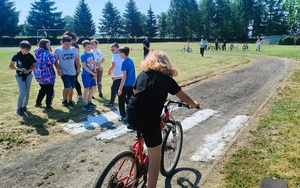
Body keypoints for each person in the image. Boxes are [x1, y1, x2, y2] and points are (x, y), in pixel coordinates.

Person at [126, 50, 199, 188]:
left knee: (142, 129)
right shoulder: (166, 79)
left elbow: (136, 91)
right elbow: (183, 97)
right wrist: (194, 104)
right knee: (155, 158)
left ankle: (137, 156)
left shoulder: (142, 74)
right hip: (149, 119)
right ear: (166, 63)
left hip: (132, 113)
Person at [9, 40, 36, 115]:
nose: (28, 51)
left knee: (27, 92)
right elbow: (10, 66)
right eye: (26, 50)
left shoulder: (30, 56)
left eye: (29, 50)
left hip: (28, 75)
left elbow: (34, 66)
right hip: (20, 74)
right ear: (21, 48)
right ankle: (19, 108)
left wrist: (29, 70)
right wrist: (19, 69)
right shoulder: (16, 56)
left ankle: (24, 106)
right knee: (22, 91)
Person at [54, 35, 80, 107]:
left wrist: (78, 68)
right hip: (64, 71)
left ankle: (70, 100)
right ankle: (65, 100)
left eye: (69, 43)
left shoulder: (73, 49)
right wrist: (58, 69)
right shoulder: (58, 50)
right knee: (67, 86)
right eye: (66, 44)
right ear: (62, 42)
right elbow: (55, 61)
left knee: (72, 87)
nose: (68, 45)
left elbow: (77, 59)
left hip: (73, 71)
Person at [112, 46, 136, 122]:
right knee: (130, 100)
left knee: (121, 101)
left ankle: (123, 116)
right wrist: (116, 77)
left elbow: (124, 77)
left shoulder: (124, 62)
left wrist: (120, 88)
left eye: (120, 53)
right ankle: (131, 115)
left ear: (123, 53)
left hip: (125, 85)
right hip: (132, 84)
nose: (119, 55)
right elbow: (127, 74)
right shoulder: (130, 61)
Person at [33, 39, 56, 109]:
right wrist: (53, 57)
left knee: (43, 89)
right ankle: (48, 104)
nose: (49, 46)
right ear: (44, 45)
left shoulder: (37, 52)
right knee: (50, 90)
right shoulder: (47, 53)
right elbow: (51, 61)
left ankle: (38, 102)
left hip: (38, 74)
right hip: (47, 75)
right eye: (48, 45)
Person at [64, 31, 83, 99]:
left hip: (74, 65)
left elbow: (76, 57)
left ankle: (79, 94)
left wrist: (77, 66)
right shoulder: (72, 44)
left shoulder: (74, 45)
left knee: (74, 80)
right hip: (72, 65)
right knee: (72, 80)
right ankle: (75, 94)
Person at [80, 40, 97, 111]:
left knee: (93, 87)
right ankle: (85, 103)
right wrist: (92, 73)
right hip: (86, 74)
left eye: (90, 47)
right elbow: (84, 66)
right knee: (87, 88)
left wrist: (95, 72)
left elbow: (94, 63)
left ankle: (89, 101)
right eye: (88, 47)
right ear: (84, 47)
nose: (89, 48)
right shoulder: (83, 55)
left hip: (92, 73)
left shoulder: (91, 54)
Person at [104, 43, 123, 107]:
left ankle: (112, 103)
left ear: (117, 48)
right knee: (115, 89)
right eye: (111, 50)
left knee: (115, 89)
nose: (112, 51)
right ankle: (112, 102)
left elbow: (113, 65)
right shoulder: (121, 54)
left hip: (118, 75)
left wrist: (109, 71)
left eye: (113, 49)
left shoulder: (115, 56)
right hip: (121, 74)